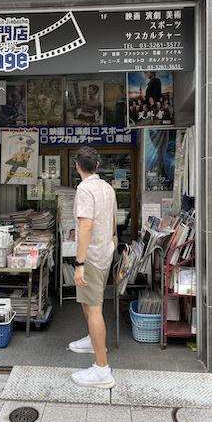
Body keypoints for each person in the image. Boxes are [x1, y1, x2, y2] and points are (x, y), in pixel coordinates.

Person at [69, 146, 117, 389]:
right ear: (97, 166)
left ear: (78, 167)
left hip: (92, 257)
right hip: (105, 252)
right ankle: (92, 339)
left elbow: (85, 227)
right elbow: (114, 224)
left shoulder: (84, 189)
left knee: (95, 308)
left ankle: (102, 370)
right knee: (89, 302)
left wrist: (78, 264)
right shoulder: (107, 188)